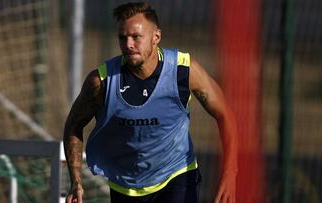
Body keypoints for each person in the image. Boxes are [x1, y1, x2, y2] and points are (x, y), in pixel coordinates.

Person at [63, 2, 238, 203]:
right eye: (123, 37)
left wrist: (230, 175)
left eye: (136, 37)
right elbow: (73, 126)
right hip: (126, 185)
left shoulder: (184, 71)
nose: (128, 44)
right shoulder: (102, 81)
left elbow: (226, 115)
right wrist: (75, 180)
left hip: (176, 175)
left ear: (156, 37)